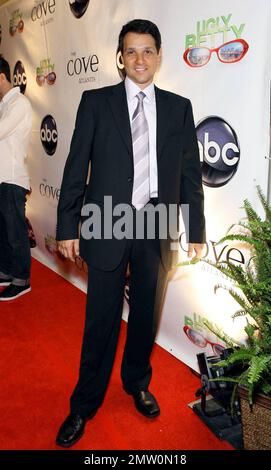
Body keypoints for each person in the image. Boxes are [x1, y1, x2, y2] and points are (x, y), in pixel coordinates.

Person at [56, 19, 206, 447]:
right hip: (106, 220)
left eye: (147, 51)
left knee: (145, 315)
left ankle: (137, 382)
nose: (140, 59)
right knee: (100, 319)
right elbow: (74, 167)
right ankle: (84, 404)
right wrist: (69, 224)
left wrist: (195, 228)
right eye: (131, 51)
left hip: (156, 222)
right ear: (121, 58)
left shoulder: (179, 108)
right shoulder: (96, 102)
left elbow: (191, 176)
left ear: (159, 56)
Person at [0, 56, 32, 301]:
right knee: (3, 231)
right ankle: (7, 271)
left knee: (15, 232)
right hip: (2, 179)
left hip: (12, 178)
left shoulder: (19, 102)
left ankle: (21, 280)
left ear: (2, 77)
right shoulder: (4, 104)